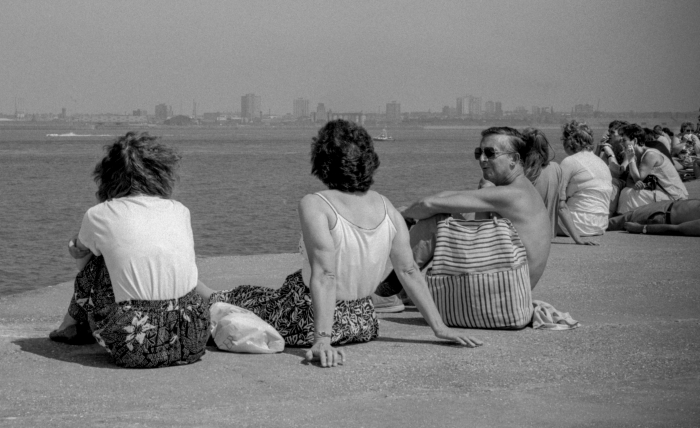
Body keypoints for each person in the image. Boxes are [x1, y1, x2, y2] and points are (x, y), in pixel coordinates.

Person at [199, 120, 482, 368]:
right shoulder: (388, 208)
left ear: (321, 163)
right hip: (362, 322)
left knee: (240, 298)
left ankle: (198, 289)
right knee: (255, 294)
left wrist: (321, 340)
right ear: (369, 162)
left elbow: (325, 274)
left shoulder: (315, 204)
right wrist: (440, 327)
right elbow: (408, 272)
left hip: (305, 317)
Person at [49, 132, 209, 368]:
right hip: (192, 339)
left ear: (107, 175)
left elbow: (83, 262)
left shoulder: (100, 214)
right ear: (162, 173)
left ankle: (69, 325)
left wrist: (76, 246)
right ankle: (73, 325)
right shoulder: (180, 210)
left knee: (97, 263)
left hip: (135, 346)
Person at [373, 126, 553, 301]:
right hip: (509, 293)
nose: (482, 159)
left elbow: (429, 204)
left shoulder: (511, 194)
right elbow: (464, 214)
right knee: (454, 217)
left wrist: (404, 215)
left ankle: (387, 293)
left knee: (437, 221)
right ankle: (405, 288)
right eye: (478, 153)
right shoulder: (522, 190)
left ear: (514, 159)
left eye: (490, 153)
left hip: (499, 294)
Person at [556, 120, 613, 241]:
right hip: (600, 225)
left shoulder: (569, 161)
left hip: (578, 224)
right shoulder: (601, 162)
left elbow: (558, 200)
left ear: (569, 142)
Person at [616, 124, 688, 215]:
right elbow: (630, 180)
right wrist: (635, 185)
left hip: (673, 196)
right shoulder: (636, 155)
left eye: (624, 140)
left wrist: (630, 159)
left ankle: (623, 218)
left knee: (628, 193)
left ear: (634, 141)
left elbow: (638, 179)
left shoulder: (650, 155)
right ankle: (626, 217)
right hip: (660, 193)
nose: (621, 143)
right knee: (627, 191)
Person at [606, 199, 700, 236]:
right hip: (665, 207)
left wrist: (641, 228)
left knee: (611, 223)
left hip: (660, 214)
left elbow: (677, 229)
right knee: (614, 220)